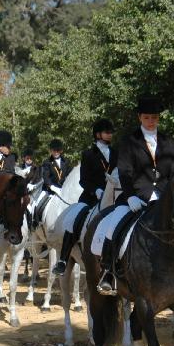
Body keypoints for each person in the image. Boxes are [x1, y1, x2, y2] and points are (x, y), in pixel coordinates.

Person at [95, 96, 174, 295]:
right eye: (147, 117)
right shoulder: (129, 141)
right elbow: (125, 172)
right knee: (114, 224)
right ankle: (108, 272)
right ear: (140, 117)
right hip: (136, 197)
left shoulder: (167, 141)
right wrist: (130, 196)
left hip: (164, 197)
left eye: (154, 117)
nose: (151, 121)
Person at [53, 118, 114, 276]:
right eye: (107, 132)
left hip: (113, 196)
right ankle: (63, 260)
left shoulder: (116, 153)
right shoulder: (88, 154)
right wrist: (96, 190)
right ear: (98, 134)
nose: (110, 134)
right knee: (73, 218)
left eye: (111, 132)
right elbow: (83, 180)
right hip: (91, 197)